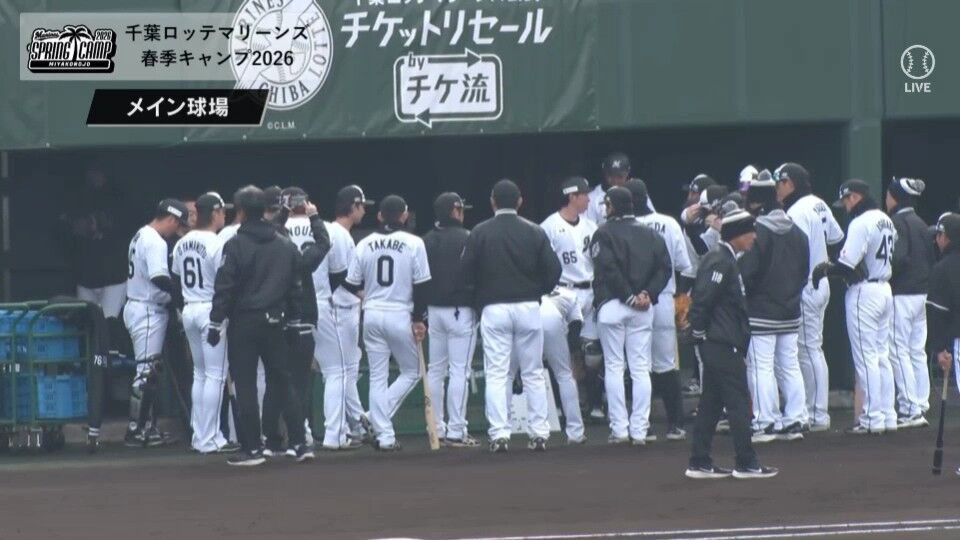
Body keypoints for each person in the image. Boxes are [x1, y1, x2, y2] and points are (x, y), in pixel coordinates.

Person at [210, 185, 312, 466]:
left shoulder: (236, 244)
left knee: (245, 385)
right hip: (276, 320)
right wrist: (294, 320)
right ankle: (299, 443)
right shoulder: (284, 244)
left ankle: (253, 448)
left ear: (241, 211)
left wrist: (215, 321)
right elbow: (296, 287)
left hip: (244, 322)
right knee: (283, 381)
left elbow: (225, 286)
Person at [461, 179, 562, 452]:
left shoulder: (480, 231)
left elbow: (465, 272)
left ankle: (500, 434)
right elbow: (554, 270)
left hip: (494, 308)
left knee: (497, 373)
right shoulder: (534, 230)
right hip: (528, 306)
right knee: (533, 372)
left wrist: (479, 299)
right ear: (519, 201)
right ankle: (539, 433)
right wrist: (537, 291)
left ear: (492, 202)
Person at [686, 204, 778, 480]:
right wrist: (699, 332)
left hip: (721, 341)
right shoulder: (720, 260)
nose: (754, 237)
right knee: (738, 402)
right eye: (750, 232)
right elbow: (703, 299)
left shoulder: (725, 259)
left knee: (712, 404)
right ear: (737, 233)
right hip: (721, 343)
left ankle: (699, 461)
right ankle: (746, 462)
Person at [344, 195, 431, 452]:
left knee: (377, 377)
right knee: (413, 371)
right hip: (400, 313)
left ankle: (383, 433)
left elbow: (350, 282)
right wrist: (419, 319)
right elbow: (422, 285)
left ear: (380, 216)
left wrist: (367, 296)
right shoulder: (414, 242)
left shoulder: (364, 243)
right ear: (404, 216)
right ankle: (376, 421)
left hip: (371, 313)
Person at [813, 179, 897, 435]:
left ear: (854, 197)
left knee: (866, 358)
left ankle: (872, 417)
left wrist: (825, 269)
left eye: (846, 200)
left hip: (865, 293)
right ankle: (887, 415)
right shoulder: (885, 219)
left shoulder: (861, 222)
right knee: (882, 356)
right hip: (884, 288)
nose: (845, 206)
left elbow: (847, 265)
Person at [590, 186, 671, 445]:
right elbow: (665, 269)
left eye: (607, 204)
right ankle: (639, 430)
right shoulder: (651, 234)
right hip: (643, 308)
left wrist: (628, 297)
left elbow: (608, 268)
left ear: (613, 206)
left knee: (615, 366)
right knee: (640, 367)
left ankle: (620, 429)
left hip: (613, 305)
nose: (605, 209)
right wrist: (647, 293)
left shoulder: (602, 232)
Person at [739, 171, 810, 442]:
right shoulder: (799, 233)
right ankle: (795, 418)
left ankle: (766, 421)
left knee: (761, 367)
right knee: (789, 365)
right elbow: (804, 273)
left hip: (761, 311)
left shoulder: (757, 232)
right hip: (790, 310)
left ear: (757, 203)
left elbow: (748, 273)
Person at [776, 162, 845, 431]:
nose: (777, 188)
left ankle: (817, 413)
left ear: (790, 183)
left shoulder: (796, 211)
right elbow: (836, 239)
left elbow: (795, 253)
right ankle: (813, 410)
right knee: (811, 348)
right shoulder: (819, 203)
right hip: (820, 281)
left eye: (780, 183)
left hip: (807, 285)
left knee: (808, 349)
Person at [627, 179, 695, 441]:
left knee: (638, 364)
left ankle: (642, 425)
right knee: (666, 363)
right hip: (664, 297)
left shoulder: (623, 227)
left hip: (634, 301)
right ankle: (676, 425)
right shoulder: (668, 223)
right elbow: (684, 265)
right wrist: (681, 297)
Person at [171, 192, 237, 454]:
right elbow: (225, 282)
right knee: (215, 375)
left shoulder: (181, 243)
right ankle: (210, 437)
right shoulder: (217, 243)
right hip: (211, 309)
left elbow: (175, 281)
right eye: (223, 211)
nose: (225, 216)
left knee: (200, 374)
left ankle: (200, 435)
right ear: (216, 213)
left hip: (189, 309)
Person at [123, 198, 189, 447]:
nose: (177, 229)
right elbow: (159, 277)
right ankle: (136, 431)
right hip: (148, 309)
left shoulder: (141, 234)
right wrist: (181, 294)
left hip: (140, 306)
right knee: (146, 372)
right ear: (171, 219)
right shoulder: (155, 241)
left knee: (149, 371)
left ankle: (146, 428)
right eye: (178, 224)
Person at [540, 177, 603, 421]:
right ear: (572, 197)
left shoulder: (591, 226)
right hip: (562, 293)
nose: (588, 199)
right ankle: (561, 406)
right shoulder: (549, 226)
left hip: (589, 291)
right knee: (562, 353)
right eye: (584, 195)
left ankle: (595, 405)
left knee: (593, 354)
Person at [277, 186, 332, 450]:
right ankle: (299, 435)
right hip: (305, 312)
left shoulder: (272, 240)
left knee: (275, 379)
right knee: (301, 380)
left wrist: (283, 213)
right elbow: (323, 245)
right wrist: (315, 217)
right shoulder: (304, 257)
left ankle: (272, 438)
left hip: (276, 316)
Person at [423, 192, 479, 447]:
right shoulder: (469, 237)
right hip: (460, 311)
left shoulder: (426, 240)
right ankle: (456, 430)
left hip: (434, 311)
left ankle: (436, 429)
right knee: (459, 371)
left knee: (436, 370)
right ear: (455, 211)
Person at [57, 168, 130, 347]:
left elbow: (122, 226)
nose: (94, 178)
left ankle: (105, 361)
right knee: (88, 324)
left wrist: (98, 225)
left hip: (113, 279)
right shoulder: (79, 198)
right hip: (86, 279)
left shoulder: (117, 199)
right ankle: (92, 361)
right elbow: (64, 228)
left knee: (107, 323)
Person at [506, 287, 586, 444]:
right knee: (564, 374)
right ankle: (576, 432)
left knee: (507, 375)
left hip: (524, 312)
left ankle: (501, 432)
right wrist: (572, 354)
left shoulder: (524, 284)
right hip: (551, 317)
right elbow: (575, 328)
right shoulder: (568, 293)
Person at [886, 177, 935, 427]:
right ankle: (921, 403)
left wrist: (886, 275)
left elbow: (899, 258)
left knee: (898, 349)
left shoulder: (898, 222)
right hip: (922, 294)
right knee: (916, 350)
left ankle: (910, 408)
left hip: (903, 294)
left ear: (896, 197)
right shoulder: (921, 223)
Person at [328, 185, 374, 443]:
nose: (364, 211)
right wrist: (364, 295)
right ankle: (356, 422)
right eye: (362, 206)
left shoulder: (335, 232)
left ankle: (356, 422)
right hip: (341, 309)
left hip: (340, 308)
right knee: (345, 370)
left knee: (346, 369)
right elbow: (343, 278)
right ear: (352, 206)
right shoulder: (340, 234)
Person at [927, 214, 960, 474]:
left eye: (938, 235)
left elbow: (938, 315)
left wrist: (940, 349)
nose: (936, 240)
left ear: (946, 237)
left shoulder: (943, 269)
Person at [585, 153, 655, 225]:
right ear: (605, 174)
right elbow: (588, 226)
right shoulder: (592, 197)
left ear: (627, 174)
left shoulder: (637, 192)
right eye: (611, 175)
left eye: (620, 176)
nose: (615, 180)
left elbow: (652, 219)